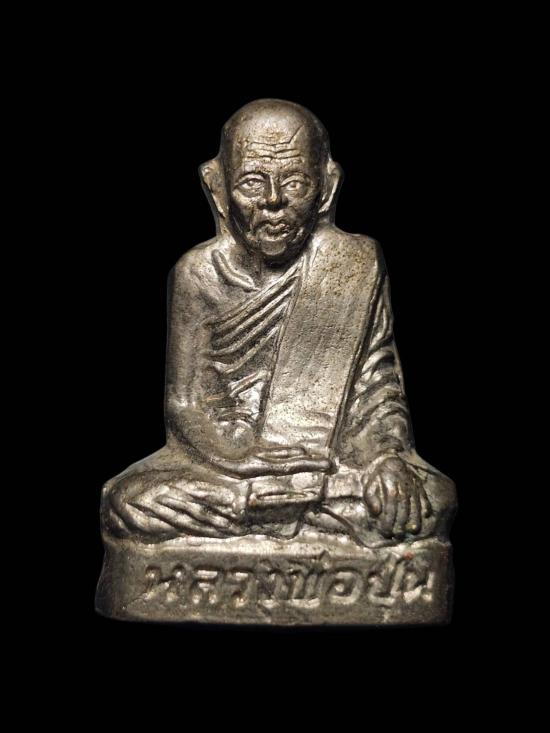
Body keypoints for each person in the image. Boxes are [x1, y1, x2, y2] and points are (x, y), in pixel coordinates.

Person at [101, 99, 455, 547]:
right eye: (252, 182)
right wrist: (238, 458)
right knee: (126, 500)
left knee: (432, 500)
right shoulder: (198, 275)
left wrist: (386, 459)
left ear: (326, 188)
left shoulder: (352, 265)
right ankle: (265, 511)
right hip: (227, 469)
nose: (272, 201)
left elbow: (377, 388)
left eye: (294, 182)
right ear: (217, 188)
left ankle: (262, 515)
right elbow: (185, 404)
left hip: (324, 468)